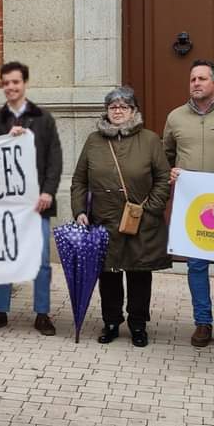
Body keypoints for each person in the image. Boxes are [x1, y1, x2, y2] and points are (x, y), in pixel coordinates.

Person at [71, 86, 170, 348]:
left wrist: (151, 209)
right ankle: (111, 321)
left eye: (123, 106)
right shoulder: (94, 141)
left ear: (133, 111)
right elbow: (79, 180)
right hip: (104, 220)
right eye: (113, 107)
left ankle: (138, 324)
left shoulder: (149, 139)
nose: (117, 111)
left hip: (142, 221)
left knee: (139, 274)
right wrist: (80, 210)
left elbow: (162, 178)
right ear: (106, 112)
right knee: (109, 274)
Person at [0, 61, 62, 336]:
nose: (10, 87)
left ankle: (42, 313)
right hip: (6, 204)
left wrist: (48, 191)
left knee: (40, 261)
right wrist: (6, 138)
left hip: (37, 204)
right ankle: (0, 311)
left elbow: (55, 159)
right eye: (5, 83)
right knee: (3, 258)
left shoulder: (43, 118)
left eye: (15, 82)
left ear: (24, 83)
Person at [163, 60, 214, 349]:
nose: (196, 83)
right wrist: (171, 171)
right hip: (192, 205)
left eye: (202, 78)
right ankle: (203, 323)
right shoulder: (175, 117)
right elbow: (166, 154)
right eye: (193, 78)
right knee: (196, 266)